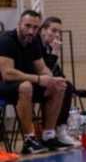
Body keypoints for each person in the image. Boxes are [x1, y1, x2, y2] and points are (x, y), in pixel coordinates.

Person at [0, 10, 72, 154]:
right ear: (19, 24)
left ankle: (48, 136)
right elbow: (7, 74)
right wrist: (39, 79)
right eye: (27, 26)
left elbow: (42, 68)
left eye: (35, 28)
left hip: (26, 84)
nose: (31, 31)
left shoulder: (33, 42)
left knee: (59, 87)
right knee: (26, 87)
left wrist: (51, 79)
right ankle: (29, 140)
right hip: (5, 85)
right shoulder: (6, 40)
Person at [39, 16, 83, 147]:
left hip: (48, 83)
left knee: (66, 85)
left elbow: (57, 72)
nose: (57, 35)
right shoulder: (37, 45)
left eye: (59, 32)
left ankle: (61, 129)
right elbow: (44, 70)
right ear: (43, 30)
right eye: (53, 30)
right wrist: (54, 53)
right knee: (63, 87)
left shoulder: (48, 46)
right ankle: (54, 131)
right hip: (36, 81)